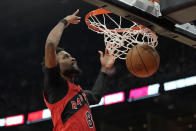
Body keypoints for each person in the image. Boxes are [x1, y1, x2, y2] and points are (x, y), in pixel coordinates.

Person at [43, 9, 116, 131]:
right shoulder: (55, 86)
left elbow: (96, 96)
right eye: (66, 57)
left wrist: (104, 68)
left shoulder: (79, 93)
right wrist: (64, 21)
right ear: (55, 64)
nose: (73, 59)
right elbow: (50, 44)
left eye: (71, 56)